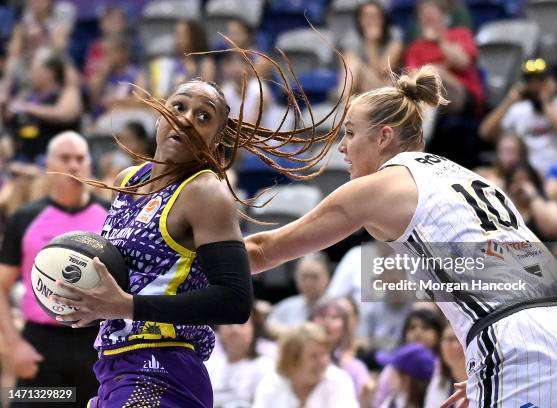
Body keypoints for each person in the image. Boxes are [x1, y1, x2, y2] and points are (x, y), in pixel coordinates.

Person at [244, 66, 557, 406]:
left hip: (517, 341)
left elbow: (262, 250)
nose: (342, 147)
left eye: (350, 133)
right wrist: (487, 363)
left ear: (384, 136)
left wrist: (191, 264)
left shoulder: (379, 187)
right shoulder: (467, 177)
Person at [49, 45, 349, 406]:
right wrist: (85, 302)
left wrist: (127, 306)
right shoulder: (129, 180)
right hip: (114, 365)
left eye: (204, 117)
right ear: (160, 116)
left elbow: (235, 302)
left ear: (216, 139)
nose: (187, 118)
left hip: (163, 368)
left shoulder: (205, 192)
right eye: (179, 106)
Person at [0, 131, 109, 408]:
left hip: (96, 343)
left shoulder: (112, 217)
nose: (73, 165)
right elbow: (1, 287)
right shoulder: (25, 218)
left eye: (80, 158)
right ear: (49, 165)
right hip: (40, 344)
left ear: (89, 165)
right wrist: (14, 345)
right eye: (65, 158)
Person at [479, 58, 557, 177]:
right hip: (528, 177)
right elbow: (485, 133)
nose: (535, 86)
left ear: (552, 82)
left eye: (540, 80)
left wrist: (546, 102)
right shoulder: (519, 110)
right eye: (530, 81)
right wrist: (509, 101)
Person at [252, 322, 359, 408]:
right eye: (314, 356)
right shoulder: (271, 384)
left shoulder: (338, 380)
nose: (322, 362)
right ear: (291, 361)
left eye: (324, 354)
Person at [340, 0, 403, 94]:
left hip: (386, 89)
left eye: (375, 16)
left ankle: (340, 100)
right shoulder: (352, 38)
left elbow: (383, 71)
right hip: (360, 88)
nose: (371, 21)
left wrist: (371, 43)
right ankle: (342, 100)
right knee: (353, 63)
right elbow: (346, 68)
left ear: (382, 19)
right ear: (360, 20)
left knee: (355, 64)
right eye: (367, 16)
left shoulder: (394, 36)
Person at [267, 252, 330, 330]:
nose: (309, 283)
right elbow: (268, 327)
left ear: (327, 277)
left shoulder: (338, 308)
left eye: (314, 277)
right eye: (304, 276)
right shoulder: (285, 307)